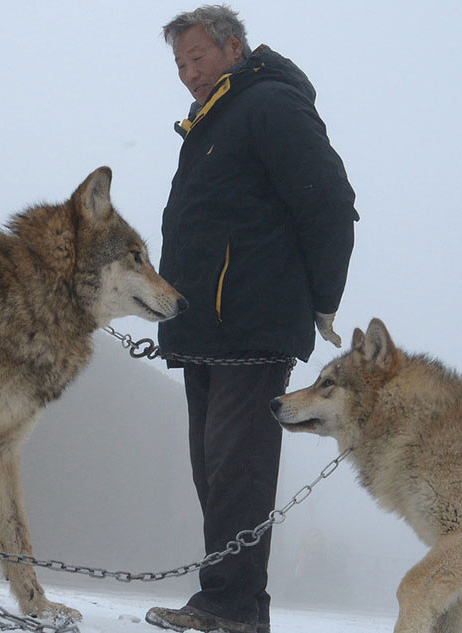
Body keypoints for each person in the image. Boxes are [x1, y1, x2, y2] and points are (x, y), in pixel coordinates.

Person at [146, 6, 359, 633]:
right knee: (212, 473)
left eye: (197, 58)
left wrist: (323, 298)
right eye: (180, 63)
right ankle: (231, 604)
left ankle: (231, 607)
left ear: (233, 46)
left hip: (250, 324)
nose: (187, 73)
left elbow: (328, 199)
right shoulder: (211, 121)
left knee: (237, 471)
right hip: (203, 327)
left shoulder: (268, 105)